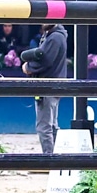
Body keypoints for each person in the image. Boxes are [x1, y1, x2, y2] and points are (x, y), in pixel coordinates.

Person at [20, 24, 70, 153]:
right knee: (52, 124)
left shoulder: (54, 38)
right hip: (55, 84)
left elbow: (46, 61)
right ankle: (55, 156)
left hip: (47, 85)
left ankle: (49, 158)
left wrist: (28, 67)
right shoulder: (57, 36)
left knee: (44, 126)